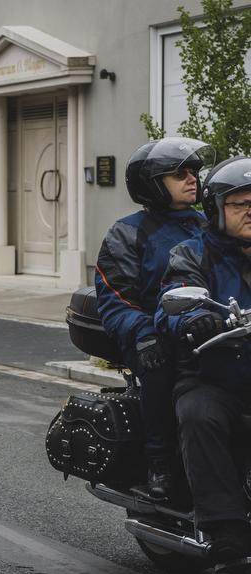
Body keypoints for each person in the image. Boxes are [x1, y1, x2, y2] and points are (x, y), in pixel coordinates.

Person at [96, 137, 214, 501]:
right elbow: (114, 299)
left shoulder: (210, 225)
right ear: (152, 182)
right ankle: (160, 461)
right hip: (155, 334)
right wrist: (144, 334)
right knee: (163, 365)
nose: (192, 178)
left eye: (193, 171)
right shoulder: (127, 233)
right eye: (179, 173)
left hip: (210, 327)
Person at [156, 156, 251, 564]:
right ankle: (226, 526)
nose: (250, 211)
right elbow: (173, 300)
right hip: (213, 376)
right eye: (238, 204)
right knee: (200, 413)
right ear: (216, 209)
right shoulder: (192, 253)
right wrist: (197, 320)